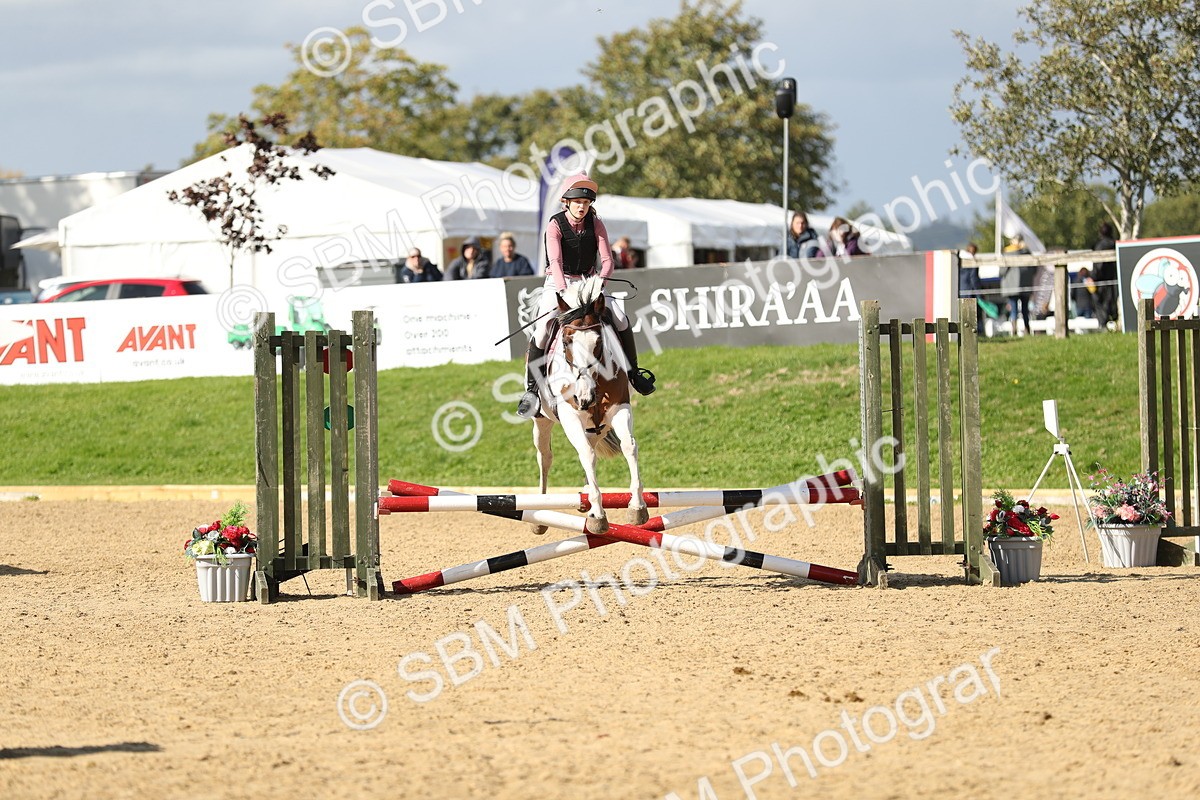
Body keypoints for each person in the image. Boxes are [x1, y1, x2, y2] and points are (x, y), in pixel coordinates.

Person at [515, 173, 656, 419]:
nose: (582, 207)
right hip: (559, 283)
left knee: (621, 318)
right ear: (566, 202)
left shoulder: (596, 223)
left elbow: (607, 260)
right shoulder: (555, 224)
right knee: (541, 330)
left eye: (586, 203)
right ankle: (532, 391)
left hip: (589, 282)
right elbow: (556, 262)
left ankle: (634, 373)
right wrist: (563, 291)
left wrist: (599, 284)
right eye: (577, 202)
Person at [1000, 235, 1033, 335]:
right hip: (1025, 285)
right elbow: (1034, 269)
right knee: (1025, 310)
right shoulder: (1027, 253)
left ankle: (1014, 331)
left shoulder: (1007, 253)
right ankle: (1027, 330)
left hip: (1011, 286)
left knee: (1013, 310)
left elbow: (1002, 271)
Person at [1092, 222, 1118, 329]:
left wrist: (1093, 277)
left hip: (1102, 283)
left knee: (1102, 306)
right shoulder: (1115, 244)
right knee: (1113, 305)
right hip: (1115, 280)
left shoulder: (1100, 246)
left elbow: (1098, 266)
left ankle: (1103, 326)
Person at [958, 242, 985, 334]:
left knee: (963, 314)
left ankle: (964, 332)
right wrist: (979, 294)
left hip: (961, 290)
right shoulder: (973, 261)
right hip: (970, 292)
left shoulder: (959, 260)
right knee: (974, 314)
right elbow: (974, 278)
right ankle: (976, 333)